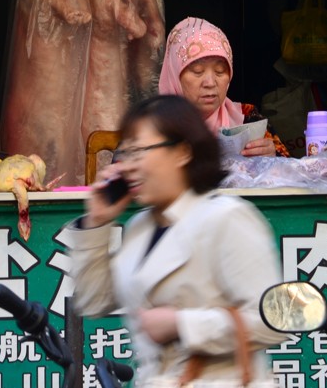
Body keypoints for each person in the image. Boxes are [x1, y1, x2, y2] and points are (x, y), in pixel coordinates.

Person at [69, 95, 286, 387]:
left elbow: (273, 321)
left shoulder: (226, 218)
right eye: (126, 152)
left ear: (182, 152)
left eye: (140, 151)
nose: (127, 165)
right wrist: (96, 222)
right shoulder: (139, 227)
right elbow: (94, 302)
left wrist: (182, 324)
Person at [158, 17, 290, 157]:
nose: (210, 83)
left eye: (220, 71)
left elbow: (292, 172)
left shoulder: (247, 117)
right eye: (197, 71)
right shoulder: (153, 127)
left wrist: (274, 157)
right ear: (175, 74)